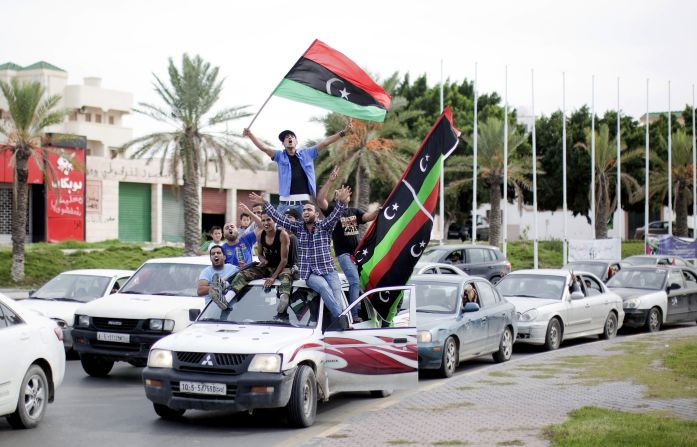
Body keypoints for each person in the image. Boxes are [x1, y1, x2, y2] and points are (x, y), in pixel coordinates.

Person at [249, 186, 352, 321]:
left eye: (309, 209)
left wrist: (342, 203)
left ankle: (339, 324)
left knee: (337, 298)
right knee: (324, 287)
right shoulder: (298, 227)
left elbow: (335, 215)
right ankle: (342, 320)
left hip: (329, 271)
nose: (305, 212)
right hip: (310, 274)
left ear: (316, 214)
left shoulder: (325, 226)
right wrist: (266, 204)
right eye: (304, 210)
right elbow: (279, 219)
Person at [243, 121, 353, 215]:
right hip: (284, 204)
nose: (289, 138)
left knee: (304, 233)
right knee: (281, 233)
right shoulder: (279, 156)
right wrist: (250, 134)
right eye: (286, 138)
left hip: (303, 203)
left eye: (292, 136)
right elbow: (264, 148)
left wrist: (343, 132)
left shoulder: (307, 153)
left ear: (296, 142)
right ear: (283, 143)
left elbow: (324, 143)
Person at [317, 166, 380, 321]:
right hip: (344, 254)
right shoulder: (333, 210)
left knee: (361, 281)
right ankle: (354, 314)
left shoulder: (354, 211)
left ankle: (366, 311)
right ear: (336, 197)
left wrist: (379, 211)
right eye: (340, 193)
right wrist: (330, 182)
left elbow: (368, 217)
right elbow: (320, 200)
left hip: (357, 254)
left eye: (346, 193)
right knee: (354, 280)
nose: (345, 194)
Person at [228, 211, 294, 314]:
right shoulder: (259, 235)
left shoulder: (282, 235)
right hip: (267, 267)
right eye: (263, 220)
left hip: (282, 267)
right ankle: (227, 298)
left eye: (268, 220)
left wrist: (273, 278)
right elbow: (259, 255)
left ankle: (283, 299)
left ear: (275, 221)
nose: (265, 223)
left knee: (286, 278)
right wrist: (263, 260)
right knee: (243, 274)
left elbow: (284, 260)